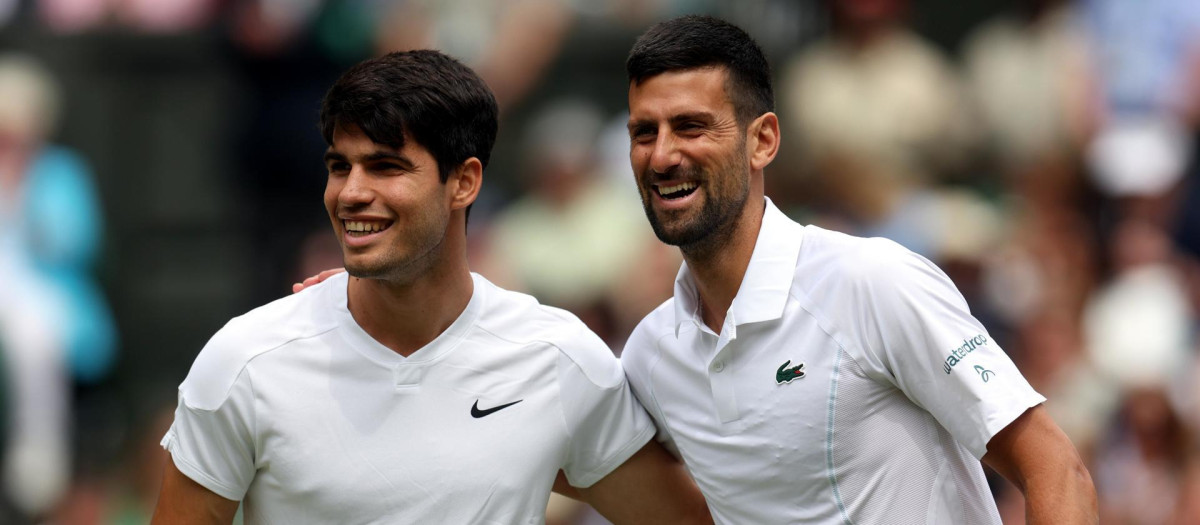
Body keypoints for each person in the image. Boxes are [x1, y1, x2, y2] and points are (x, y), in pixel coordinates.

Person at [151, 49, 709, 524]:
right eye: (340, 166)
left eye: (386, 166)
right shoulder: (245, 361)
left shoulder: (558, 359)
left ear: (463, 182)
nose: (350, 193)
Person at [619, 15, 1098, 523]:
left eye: (691, 127)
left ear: (762, 141)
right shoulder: (651, 357)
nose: (662, 155)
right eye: (644, 133)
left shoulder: (871, 282)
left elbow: (1055, 470)